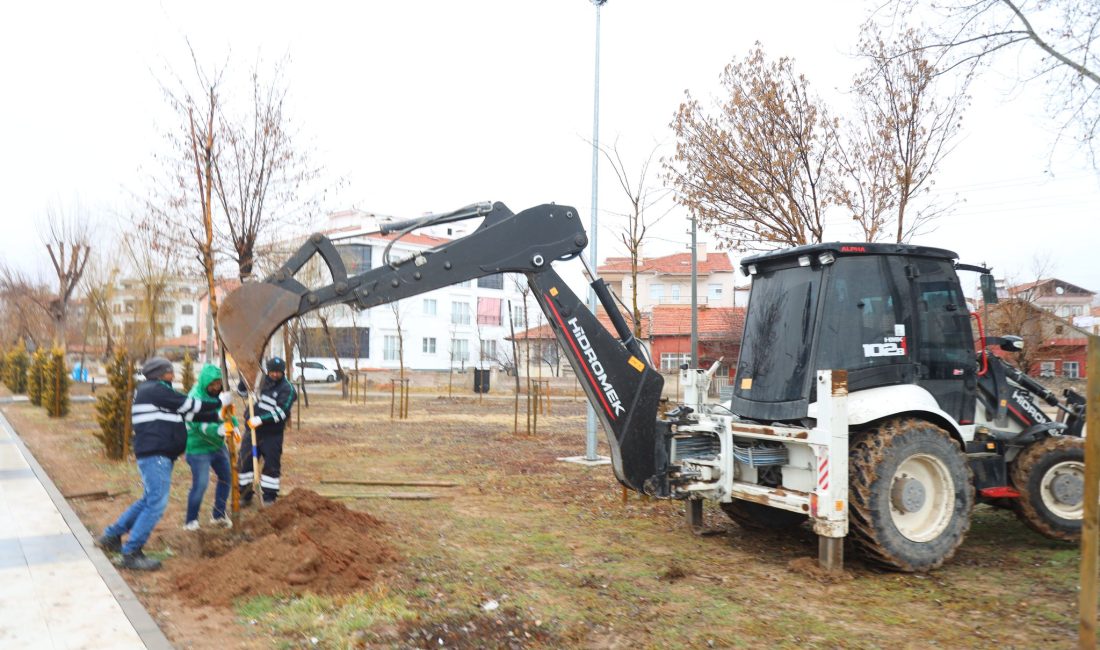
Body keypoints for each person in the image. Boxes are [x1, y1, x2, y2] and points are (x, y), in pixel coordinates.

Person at [95, 357, 232, 570]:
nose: (173, 374)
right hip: (155, 455)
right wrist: (219, 402)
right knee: (156, 503)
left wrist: (220, 419)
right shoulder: (155, 389)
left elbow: (187, 413)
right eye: (170, 371)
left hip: (157, 455)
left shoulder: (156, 393)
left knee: (149, 499)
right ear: (160, 373)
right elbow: (188, 404)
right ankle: (131, 552)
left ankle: (112, 536)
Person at [183, 364, 238, 531]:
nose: (216, 387)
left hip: (217, 446)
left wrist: (234, 426)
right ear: (205, 382)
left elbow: (227, 413)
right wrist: (220, 430)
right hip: (198, 448)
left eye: (219, 383)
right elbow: (200, 426)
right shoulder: (195, 397)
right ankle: (191, 521)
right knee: (201, 483)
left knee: (226, 477)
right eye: (212, 384)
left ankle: (219, 515)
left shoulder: (220, 395)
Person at [237, 356, 297, 505]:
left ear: (283, 372)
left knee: (271, 464)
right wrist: (244, 382)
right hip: (253, 432)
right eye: (272, 372)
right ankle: (245, 494)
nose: (275, 375)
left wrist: (261, 419)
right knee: (245, 462)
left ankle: (269, 496)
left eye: (278, 372)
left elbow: (282, 412)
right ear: (268, 371)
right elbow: (244, 393)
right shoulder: (260, 381)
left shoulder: (288, 389)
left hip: (272, 434)